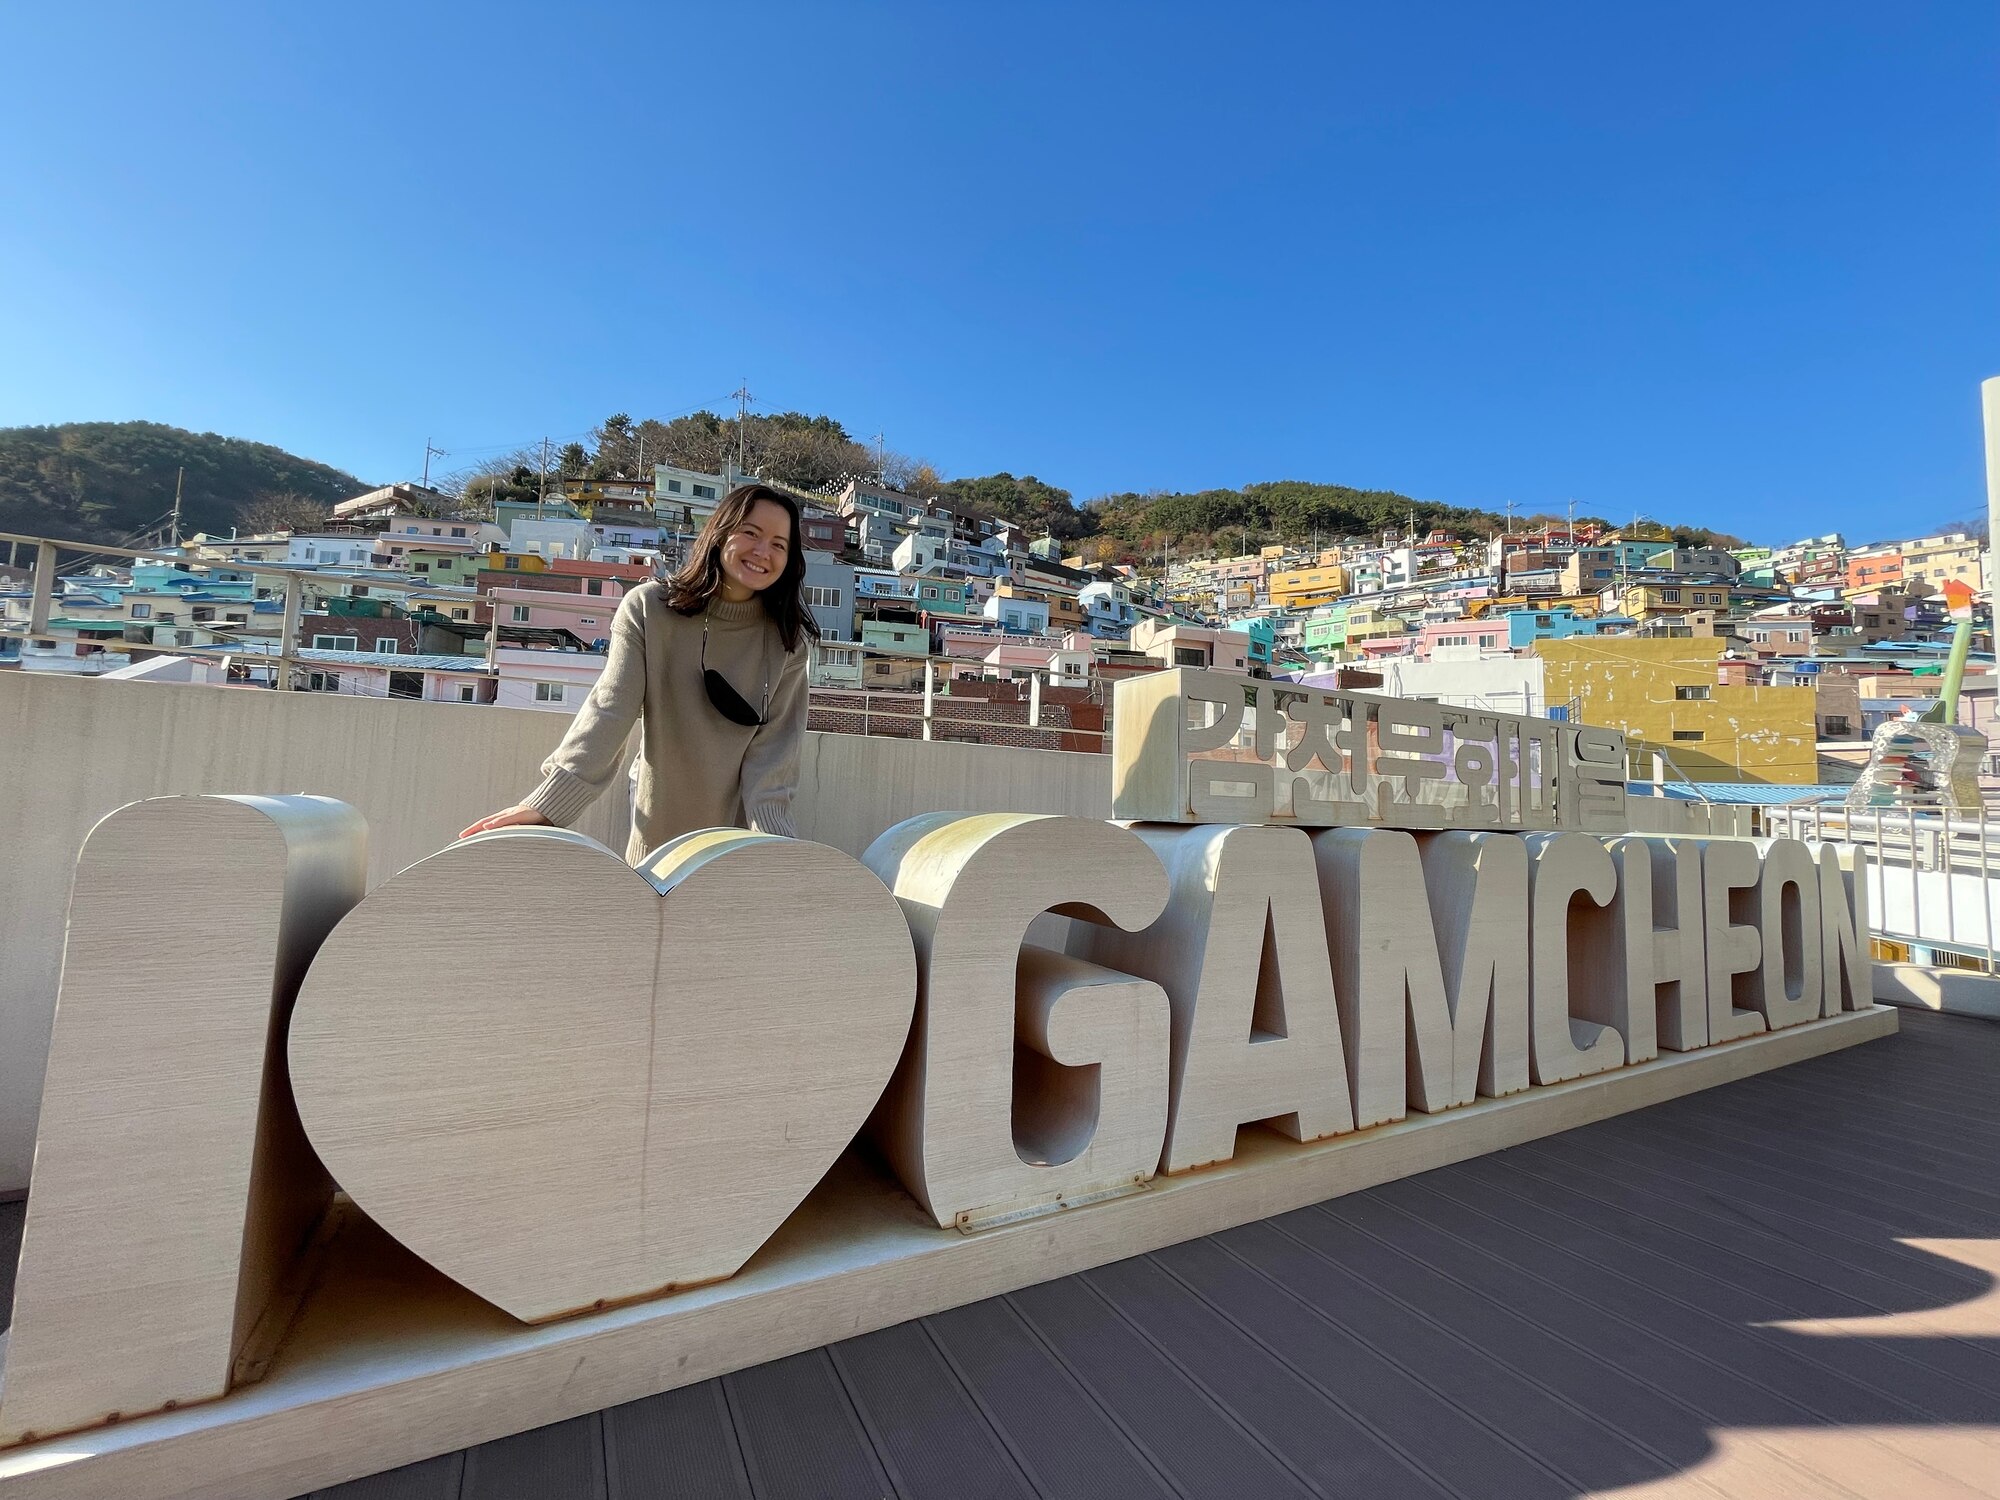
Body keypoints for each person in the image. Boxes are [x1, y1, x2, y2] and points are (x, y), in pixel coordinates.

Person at [460, 483, 820, 863]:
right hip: (656, 836)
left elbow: (775, 756)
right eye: (751, 533)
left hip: (736, 849)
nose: (763, 552)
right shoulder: (650, 609)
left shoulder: (788, 643)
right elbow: (610, 710)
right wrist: (549, 803)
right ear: (720, 533)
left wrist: (775, 847)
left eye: (779, 544)